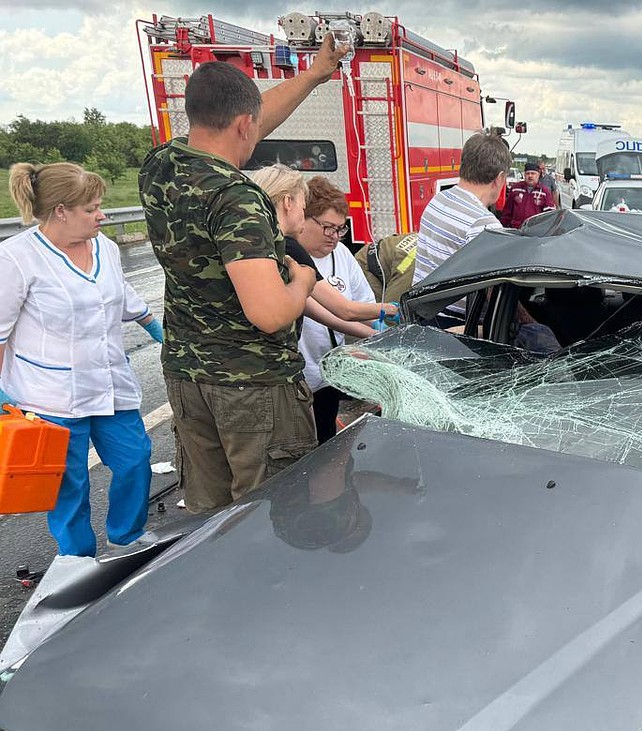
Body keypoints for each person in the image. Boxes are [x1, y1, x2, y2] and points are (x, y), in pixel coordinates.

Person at [138, 35, 347, 514]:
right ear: (243, 126)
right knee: (269, 518)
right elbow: (270, 314)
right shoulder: (238, 199)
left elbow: (253, 114)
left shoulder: (162, 166)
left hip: (188, 380)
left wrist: (315, 75)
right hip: (252, 390)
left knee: (210, 518)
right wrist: (303, 281)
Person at [0, 162, 162, 557]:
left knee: (135, 460)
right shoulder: (17, 258)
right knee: (68, 485)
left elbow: (124, 297)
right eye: (92, 208)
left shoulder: (104, 247)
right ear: (61, 211)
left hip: (109, 384)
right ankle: (77, 557)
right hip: (49, 396)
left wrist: (157, 330)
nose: (101, 215)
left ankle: (126, 535)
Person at [294, 176, 388, 442]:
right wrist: (386, 312)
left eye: (340, 229)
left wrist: (378, 327)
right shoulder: (291, 259)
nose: (335, 237)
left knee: (325, 438)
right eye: (327, 228)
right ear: (304, 219)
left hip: (328, 375)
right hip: (299, 376)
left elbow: (363, 304)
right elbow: (342, 312)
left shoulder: (342, 256)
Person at [412, 131, 511, 286]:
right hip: (453, 311)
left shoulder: (438, 199)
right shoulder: (484, 224)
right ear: (499, 178)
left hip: (421, 307)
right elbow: (492, 290)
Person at [500, 160, 556, 229]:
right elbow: (507, 212)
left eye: (533, 173)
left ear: (538, 175)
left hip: (534, 232)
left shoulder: (545, 192)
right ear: (524, 175)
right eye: (527, 173)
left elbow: (550, 216)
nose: (530, 176)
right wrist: (503, 228)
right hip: (515, 230)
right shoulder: (515, 189)